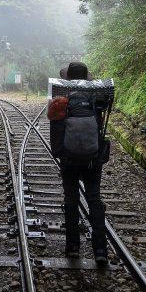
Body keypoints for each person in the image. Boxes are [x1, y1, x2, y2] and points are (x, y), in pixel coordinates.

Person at [52, 61, 109, 266]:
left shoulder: (62, 98)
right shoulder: (97, 98)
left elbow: (55, 128)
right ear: (86, 78)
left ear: (67, 78)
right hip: (93, 158)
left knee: (71, 199)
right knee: (94, 198)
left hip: (69, 158)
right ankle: (100, 250)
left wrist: (59, 152)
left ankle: (73, 247)